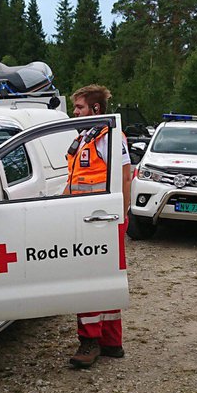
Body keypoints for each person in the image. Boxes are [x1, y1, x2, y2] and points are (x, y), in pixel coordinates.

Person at [65, 84, 132, 368]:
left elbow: (125, 177)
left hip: (99, 221)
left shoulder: (110, 138)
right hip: (88, 218)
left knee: (88, 282)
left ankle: (91, 341)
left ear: (95, 109)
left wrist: (122, 216)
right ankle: (110, 342)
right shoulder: (85, 138)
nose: (74, 112)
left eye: (79, 107)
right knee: (105, 281)